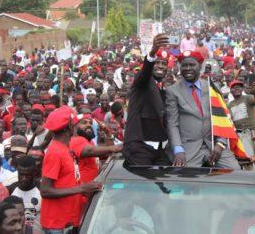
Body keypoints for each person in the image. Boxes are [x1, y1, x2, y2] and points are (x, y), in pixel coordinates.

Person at [166, 50, 239, 168]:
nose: (188, 68)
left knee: (234, 171)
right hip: (187, 148)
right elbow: (172, 124)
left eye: (192, 65)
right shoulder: (172, 91)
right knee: (188, 180)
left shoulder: (211, 86)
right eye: (184, 65)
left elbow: (222, 118)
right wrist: (178, 150)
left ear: (200, 67)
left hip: (212, 145)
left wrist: (220, 144)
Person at [40, 106, 102, 233]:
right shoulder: (55, 152)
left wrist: (85, 188)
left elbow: (67, 181)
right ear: (69, 127)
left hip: (67, 221)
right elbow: (45, 190)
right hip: (56, 224)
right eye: (74, 124)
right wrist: (81, 189)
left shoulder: (65, 149)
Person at [123, 34, 172, 166]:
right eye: (157, 63)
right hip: (139, 147)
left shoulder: (163, 89)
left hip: (159, 149)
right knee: (141, 186)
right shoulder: (143, 81)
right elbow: (145, 71)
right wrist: (152, 52)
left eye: (164, 64)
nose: (160, 66)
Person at [70, 114, 121, 183]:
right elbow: (89, 151)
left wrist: (108, 133)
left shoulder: (90, 142)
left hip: (92, 188)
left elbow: (107, 154)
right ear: (75, 127)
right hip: (82, 190)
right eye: (84, 123)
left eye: (90, 123)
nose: (89, 125)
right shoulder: (75, 140)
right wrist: (112, 148)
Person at [227, 79, 255, 157]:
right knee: (244, 156)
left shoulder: (247, 98)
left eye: (239, 87)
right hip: (238, 134)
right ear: (230, 90)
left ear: (242, 89)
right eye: (234, 88)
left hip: (251, 132)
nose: (237, 89)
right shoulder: (229, 105)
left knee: (253, 156)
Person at [11, 155, 41, 233]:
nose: (24, 178)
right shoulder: (9, 189)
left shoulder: (42, 190)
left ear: (34, 172)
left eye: (27, 175)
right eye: (21, 174)